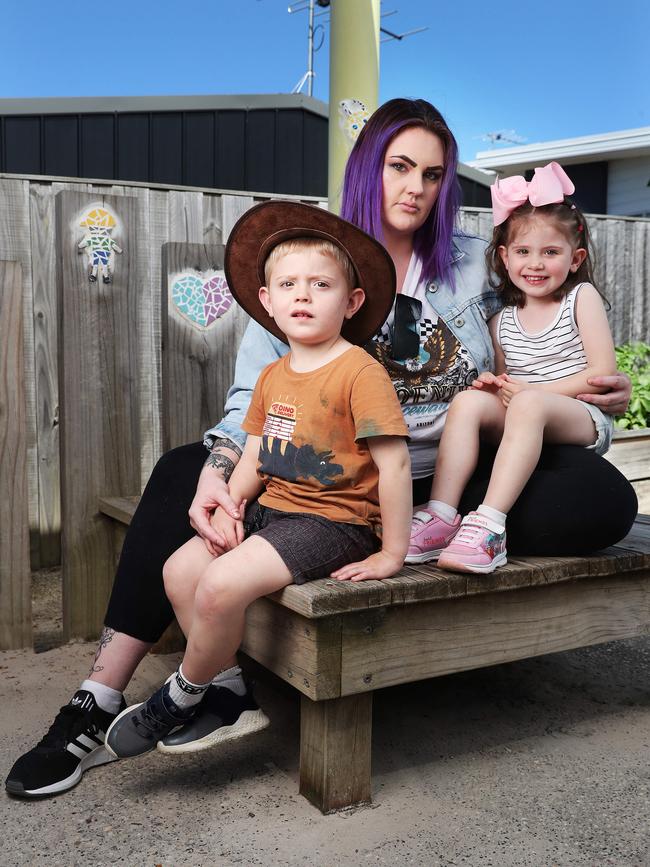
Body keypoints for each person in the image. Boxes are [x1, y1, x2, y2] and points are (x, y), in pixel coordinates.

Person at [6, 98, 637, 798]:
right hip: (329, 484)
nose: (416, 189)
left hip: (446, 474)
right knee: (181, 472)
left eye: (433, 175)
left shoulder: (471, 265)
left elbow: (541, 316)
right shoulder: (309, 260)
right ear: (367, 168)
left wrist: (587, 386)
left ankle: (443, 525)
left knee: (604, 499)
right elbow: (250, 404)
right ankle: (98, 697)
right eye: (400, 167)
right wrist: (223, 473)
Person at [103, 201, 411, 757]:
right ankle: (231, 695)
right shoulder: (272, 375)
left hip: (332, 521)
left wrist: (393, 553)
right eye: (288, 284)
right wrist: (232, 503)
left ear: (352, 301)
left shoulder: (360, 373)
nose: (303, 295)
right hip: (275, 508)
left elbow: (395, 465)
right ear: (266, 302)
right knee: (180, 571)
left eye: (321, 284)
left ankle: (181, 694)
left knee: (220, 585)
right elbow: (256, 453)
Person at [407, 162, 617, 572]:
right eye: (523, 252)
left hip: (581, 414)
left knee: (527, 406)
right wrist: (492, 386)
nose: (535, 264)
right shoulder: (501, 318)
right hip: (525, 410)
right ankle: (441, 515)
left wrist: (530, 394)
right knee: (468, 402)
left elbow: (601, 375)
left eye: (550, 252)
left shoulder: (581, 299)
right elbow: (507, 384)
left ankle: (489, 525)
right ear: (504, 257)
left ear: (575, 259)